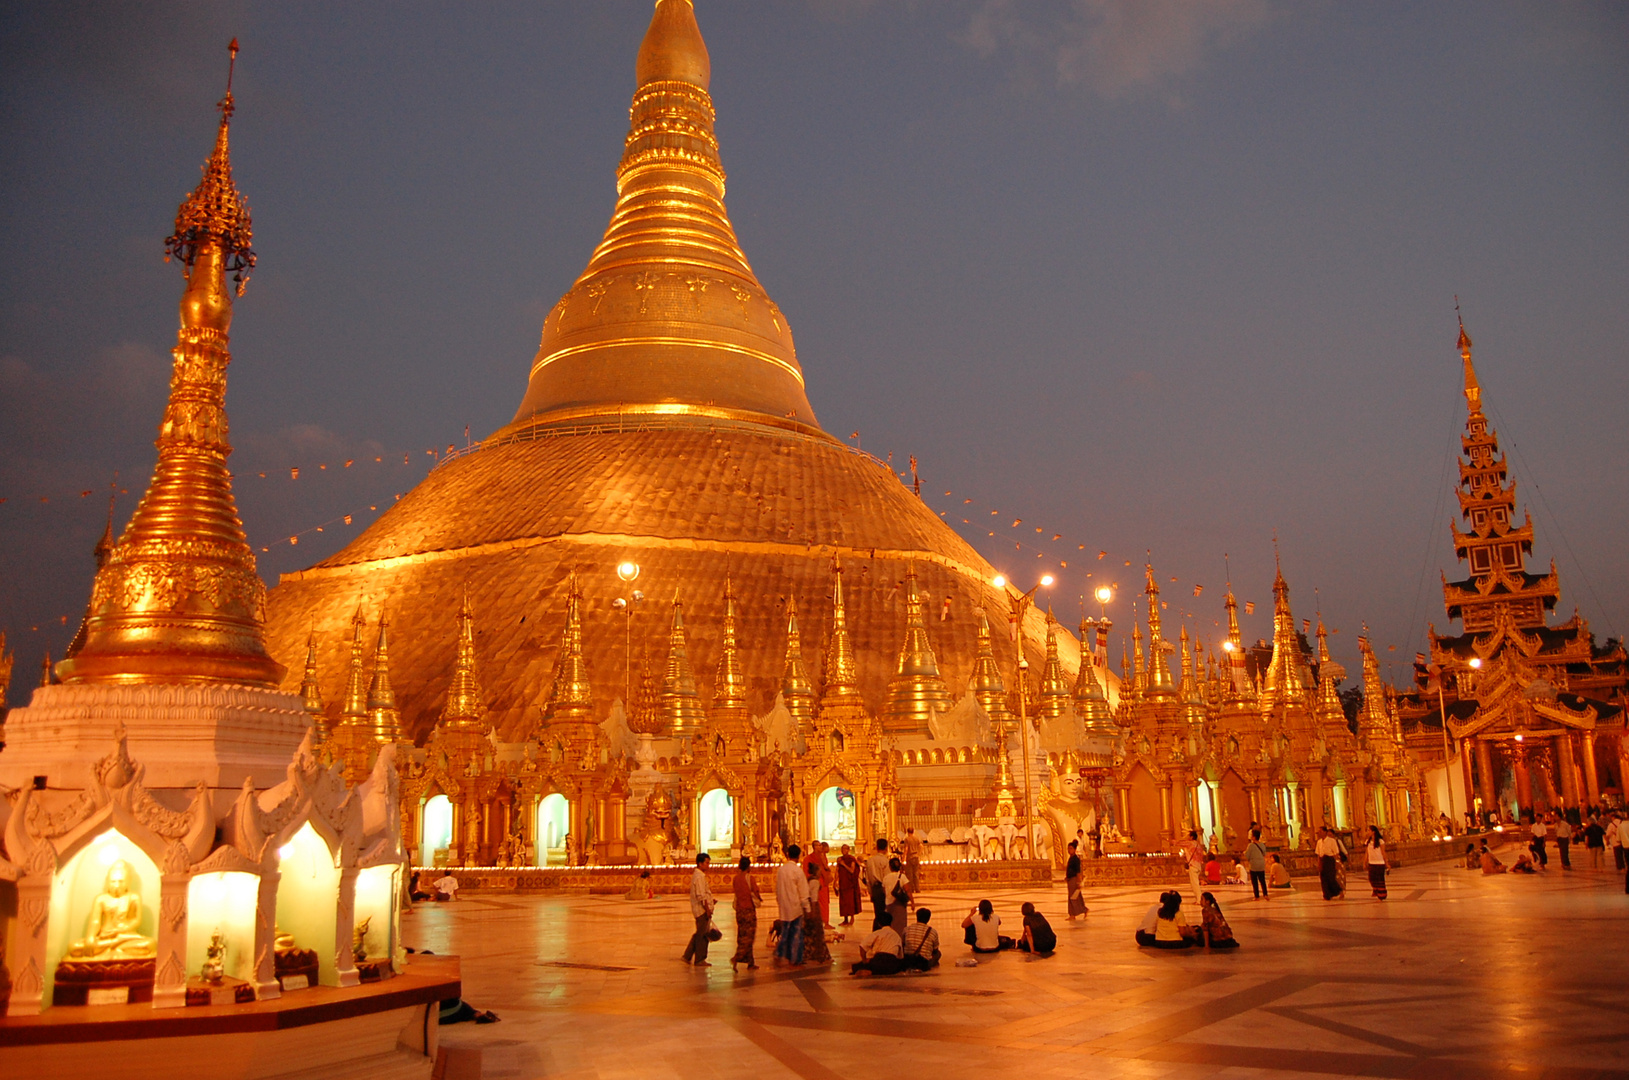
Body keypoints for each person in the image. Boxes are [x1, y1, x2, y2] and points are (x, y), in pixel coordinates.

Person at [774, 844, 810, 965]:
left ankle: (781, 954)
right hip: (795, 907)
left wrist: (779, 902)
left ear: (788, 854)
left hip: (784, 906)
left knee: (785, 933)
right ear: (799, 856)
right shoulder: (797, 871)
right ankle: (796, 960)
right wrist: (807, 908)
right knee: (797, 935)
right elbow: (803, 892)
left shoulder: (781, 870)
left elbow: (777, 889)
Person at [681, 853, 716, 966]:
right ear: (700, 864)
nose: (708, 865)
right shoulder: (700, 876)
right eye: (706, 863)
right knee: (702, 935)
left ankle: (687, 955)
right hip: (701, 910)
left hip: (700, 908)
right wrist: (707, 909)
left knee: (699, 933)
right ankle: (700, 959)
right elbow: (701, 895)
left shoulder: (698, 875)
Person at [731, 856, 761, 972]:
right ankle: (737, 957)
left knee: (742, 934)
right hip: (748, 909)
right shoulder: (750, 878)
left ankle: (750, 962)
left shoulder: (735, 879)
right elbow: (755, 891)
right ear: (748, 866)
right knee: (749, 936)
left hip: (739, 910)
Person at [863, 838, 892, 930]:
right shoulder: (886, 861)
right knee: (884, 911)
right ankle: (882, 930)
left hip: (875, 888)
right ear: (886, 848)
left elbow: (868, 878)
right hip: (883, 888)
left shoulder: (870, 860)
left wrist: (870, 892)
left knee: (878, 912)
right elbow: (887, 878)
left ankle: (876, 930)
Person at [882, 856, 910, 935]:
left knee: (891, 925)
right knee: (900, 926)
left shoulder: (885, 878)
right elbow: (907, 890)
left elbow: (884, 890)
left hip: (888, 903)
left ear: (890, 867)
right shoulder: (902, 877)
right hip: (899, 904)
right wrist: (912, 902)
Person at [836, 844, 862, 926]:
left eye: (845, 849)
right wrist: (835, 881)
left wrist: (843, 864)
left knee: (850, 902)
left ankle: (852, 918)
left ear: (848, 850)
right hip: (843, 883)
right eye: (842, 849)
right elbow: (837, 871)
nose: (843, 851)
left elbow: (852, 871)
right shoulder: (840, 859)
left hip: (850, 884)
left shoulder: (851, 859)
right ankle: (845, 919)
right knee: (843, 902)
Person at [1179, 830, 1205, 908]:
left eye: (1189, 835)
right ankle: (1198, 898)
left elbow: (1179, 842)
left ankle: (1199, 899)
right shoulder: (1198, 844)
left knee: (1195, 884)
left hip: (1193, 865)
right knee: (1195, 882)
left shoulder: (1189, 843)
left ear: (1191, 837)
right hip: (1198, 865)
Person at [1315, 826, 1342, 900]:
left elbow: (1336, 852)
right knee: (1323, 878)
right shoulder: (1319, 842)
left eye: (1320, 831)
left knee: (1330, 878)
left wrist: (1337, 862)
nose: (1319, 833)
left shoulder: (1331, 841)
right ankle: (1326, 894)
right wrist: (1319, 863)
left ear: (1325, 832)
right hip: (1322, 860)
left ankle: (1338, 890)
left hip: (1329, 859)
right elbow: (1318, 854)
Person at [1064, 840, 1088, 919]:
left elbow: (1078, 871)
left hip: (1074, 880)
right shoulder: (1071, 858)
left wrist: (1078, 882)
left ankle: (1074, 913)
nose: (1069, 850)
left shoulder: (1076, 859)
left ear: (1074, 849)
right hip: (1070, 879)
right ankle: (1078, 911)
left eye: (1071, 848)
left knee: (1073, 897)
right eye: (1068, 849)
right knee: (1075, 896)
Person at [1364, 826, 1388, 900]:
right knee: (1371, 878)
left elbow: (1383, 852)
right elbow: (1367, 852)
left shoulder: (1380, 841)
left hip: (1380, 862)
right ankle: (1376, 889)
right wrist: (1365, 861)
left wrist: (1387, 863)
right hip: (1372, 862)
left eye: (1369, 830)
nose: (1368, 832)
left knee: (1380, 879)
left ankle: (1382, 895)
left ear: (1373, 832)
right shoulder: (1368, 841)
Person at [902, 827, 924, 905]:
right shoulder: (916, 838)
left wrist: (903, 858)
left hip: (910, 857)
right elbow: (921, 846)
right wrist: (919, 853)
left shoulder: (907, 839)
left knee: (909, 874)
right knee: (916, 873)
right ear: (913, 832)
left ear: (907, 832)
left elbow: (906, 849)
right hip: (916, 857)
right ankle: (917, 889)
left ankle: (911, 889)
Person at [1244, 830, 1269, 900]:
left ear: (1254, 837)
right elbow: (1264, 854)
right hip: (1261, 864)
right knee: (1262, 880)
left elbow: (1247, 856)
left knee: (1255, 882)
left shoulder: (1250, 845)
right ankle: (1265, 894)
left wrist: (1246, 854)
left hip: (1254, 865)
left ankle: (1257, 896)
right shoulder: (1262, 845)